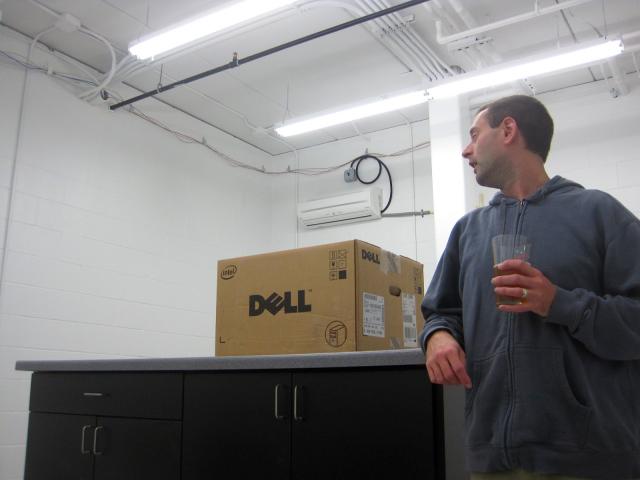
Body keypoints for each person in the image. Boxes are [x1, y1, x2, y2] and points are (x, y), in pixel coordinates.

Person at [419, 95, 640, 480]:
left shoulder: (599, 213)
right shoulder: (468, 231)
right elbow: (441, 311)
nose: (465, 150)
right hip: (491, 458)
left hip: (587, 458)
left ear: (508, 130)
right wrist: (437, 336)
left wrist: (559, 303)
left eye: (474, 134)